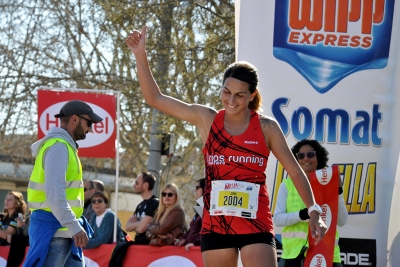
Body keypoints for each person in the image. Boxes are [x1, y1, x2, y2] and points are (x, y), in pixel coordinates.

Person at [126, 26, 326, 267]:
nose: (231, 101)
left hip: (256, 221)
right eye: (226, 92)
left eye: (240, 95)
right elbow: (154, 98)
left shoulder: (266, 127)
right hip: (217, 223)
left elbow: (294, 171)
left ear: (252, 95)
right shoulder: (207, 119)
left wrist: (313, 209)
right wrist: (140, 54)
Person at [23, 100, 102, 267]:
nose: (90, 128)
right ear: (74, 119)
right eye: (89, 123)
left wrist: (73, 228)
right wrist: (74, 226)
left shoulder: (63, 146)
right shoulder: (59, 147)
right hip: (55, 234)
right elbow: (54, 194)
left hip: (62, 233)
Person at [273, 140, 348, 267]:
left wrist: (338, 191)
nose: (306, 159)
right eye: (300, 156)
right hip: (294, 256)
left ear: (318, 157)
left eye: (310, 154)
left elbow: (342, 221)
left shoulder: (328, 183)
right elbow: (278, 220)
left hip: (328, 255)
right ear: (295, 160)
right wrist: (303, 214)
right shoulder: (287, 185)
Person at [125, 172, 159, 245]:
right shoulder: (140, 205)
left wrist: (136, 226)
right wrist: (139, 224)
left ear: (145, 185)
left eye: (137, 183)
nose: (134, 185)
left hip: (148, 248)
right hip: (138, 245)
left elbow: (141, 229)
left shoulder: (155, 203)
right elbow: (127, 226)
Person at [176, 178, 205, 251]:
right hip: (191, 251)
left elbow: (208, 232)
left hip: (200, 253)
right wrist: (182, 239)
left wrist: (196, 243)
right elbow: (192, 230)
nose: (195, 190)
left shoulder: (210, 210)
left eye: (197, 188)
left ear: (206, 189)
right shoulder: (200, 208)